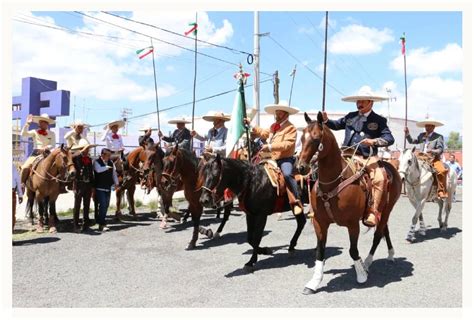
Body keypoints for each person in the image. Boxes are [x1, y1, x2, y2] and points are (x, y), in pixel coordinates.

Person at [322, 86, 394, 227]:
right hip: (346, 154)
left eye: (362, 101)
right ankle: (317, 205)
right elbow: (336, 125)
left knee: (379, 177)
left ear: (370, 103)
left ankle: (372, 211)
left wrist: (374, 141)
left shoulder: (379, 120)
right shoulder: (350, 116)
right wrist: (326, 120)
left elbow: (389, 138)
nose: (359, 103)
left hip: (367, 157)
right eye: (358, 101)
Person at [245, 101, 304, 215]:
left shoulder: (291, 128)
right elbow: (263, 133)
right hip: (270, 158)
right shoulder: (273, 126)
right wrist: (250, 124)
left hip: (285, 159)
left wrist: (270, 147)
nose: (276, 115)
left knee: (287, 174)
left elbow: (287, 144)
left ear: (286, 115)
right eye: (276, 113)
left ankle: (296, 200)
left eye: (279, 113)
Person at [404, 116, 448, 198]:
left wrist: (432, 151)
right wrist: (407, 134)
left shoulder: (438, 136)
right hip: (420, 157)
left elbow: (440, 149)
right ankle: (409, 187)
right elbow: (412, 141)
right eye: (426, 126)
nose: (427, 127)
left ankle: (441, 190)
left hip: (433, 158)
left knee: (441, 171)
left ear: (433, 127)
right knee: (408, 166)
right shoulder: (421, 135)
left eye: (429, 126)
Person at [20, 113, 56, 186]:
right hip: (36, 153)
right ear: (39, 123)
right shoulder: (34, 131)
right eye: (42, 122)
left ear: (48, 124)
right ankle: (22, 183)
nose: (44, 124)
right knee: (25, 167)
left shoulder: (52, 133)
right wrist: (27, 124)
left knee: (59, 166)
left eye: (46, 122)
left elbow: (53, 144)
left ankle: (60, 185)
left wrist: (46, 147)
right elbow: (23, 134)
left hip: (47, 153)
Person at [71, 140, 97, 232]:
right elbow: (71, 157)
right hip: (79, 183)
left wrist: (93, 186)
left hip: (88, 184)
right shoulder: (76, 157)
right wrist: (81, 152)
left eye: (88, 149)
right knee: (77, 205)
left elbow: (91, 173)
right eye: (86, 149)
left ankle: (86, 222)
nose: (88, 150)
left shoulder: (89, 159)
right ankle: (75, 224)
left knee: (87, 204)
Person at [93, 148, 120, 232]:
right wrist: (106, 167)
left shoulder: (111, 162)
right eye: (108, 155)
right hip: (99, 187)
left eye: (109, 155)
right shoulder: (96, 162)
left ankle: (100, 220)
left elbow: (114, 174)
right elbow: (98, 169)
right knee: (103, 205)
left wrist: (116, 183)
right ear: (102, 155)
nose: (109, 157)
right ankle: (102, 224)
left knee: (106, 205)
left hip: (108, 187)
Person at [12, 163, 23, 232]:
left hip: (11, 192)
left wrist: (20, 194)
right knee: (26, 168)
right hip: (35, 157)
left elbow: (18, 180)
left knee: (11, 215)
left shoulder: (11, 166)